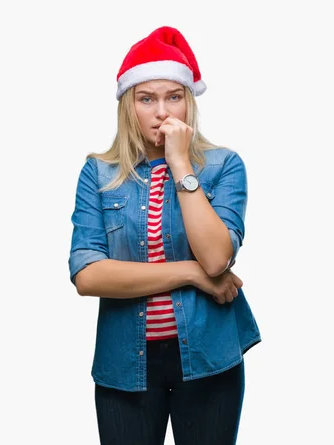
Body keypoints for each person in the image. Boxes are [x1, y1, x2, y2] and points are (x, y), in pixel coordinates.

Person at [68, 26, 261, 445]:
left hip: (209, 359)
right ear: (128, 106)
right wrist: (190, 274)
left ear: (189, 103)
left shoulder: (223, 166)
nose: (162, 111)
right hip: (125, 365)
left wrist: (180, 165)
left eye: (174, 96)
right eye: (146, 98)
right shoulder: (98, 174)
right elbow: (88, 275)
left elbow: (216, 259)